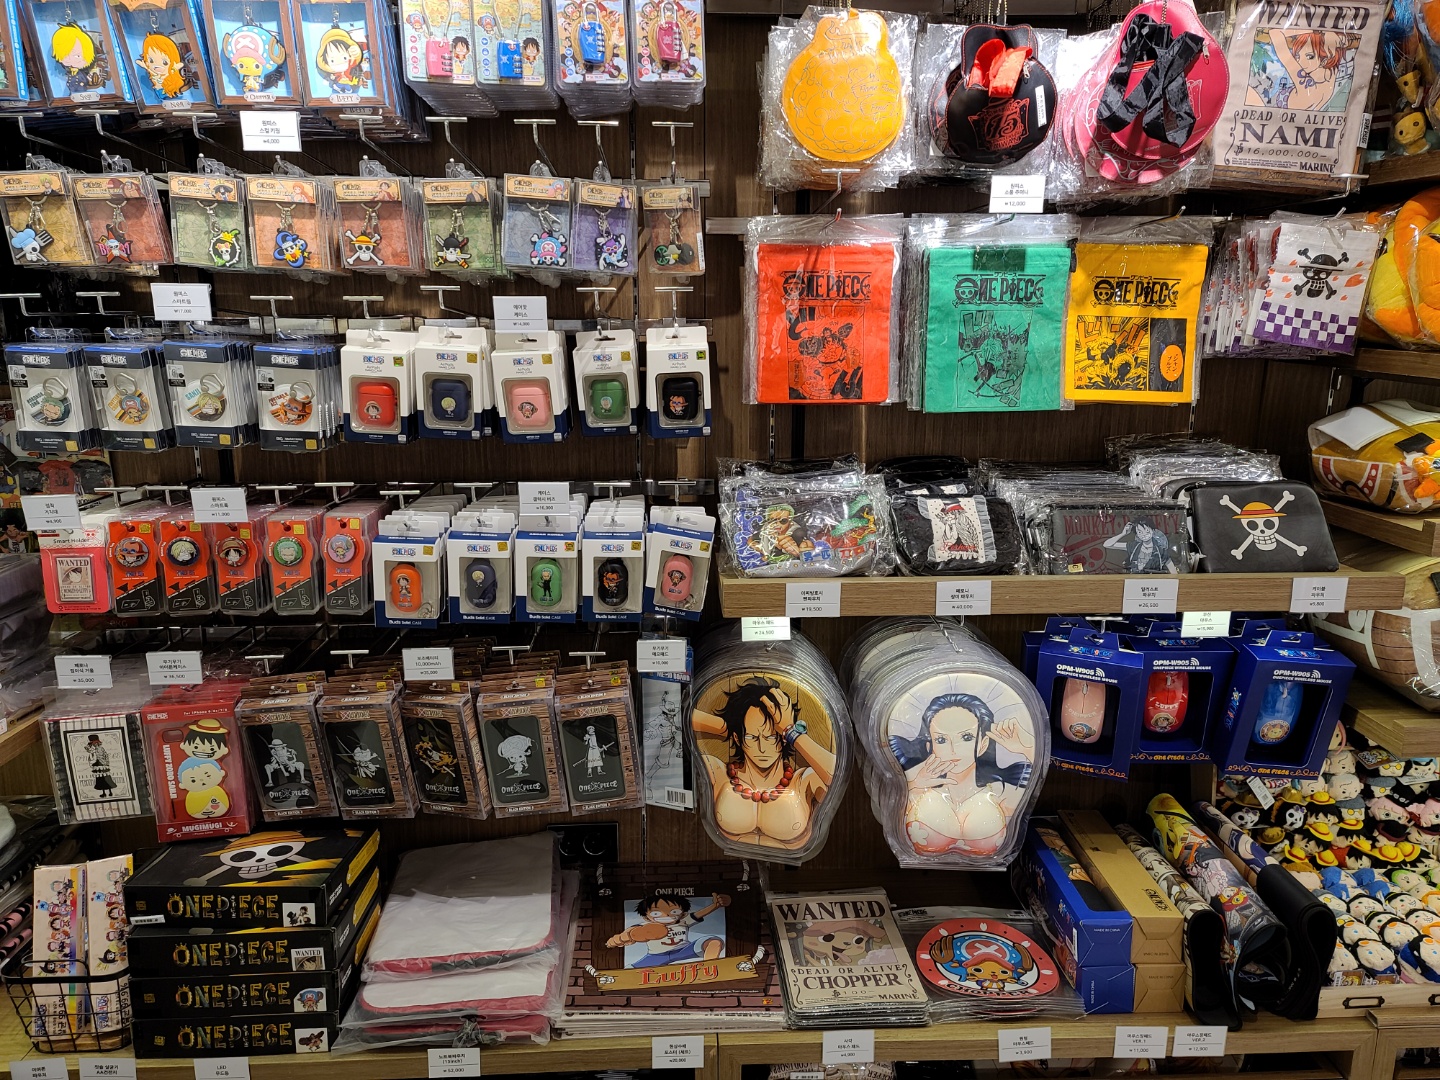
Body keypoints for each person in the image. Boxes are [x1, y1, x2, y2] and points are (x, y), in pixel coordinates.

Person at [691, 677, 833, 853]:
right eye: (752, 737)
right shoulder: (718, 772)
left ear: (783, 738)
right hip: (726, 857)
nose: (762, 747)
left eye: (771, 737)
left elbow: (835, 774)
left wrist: (790, 731)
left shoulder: (803, 781)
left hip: (788, 863)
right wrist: (729, 726)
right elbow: (677, 716)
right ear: (738, 739)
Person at [889, 692, 1034, 857]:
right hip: (922, 868)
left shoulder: (1001, 791)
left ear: (983, 744)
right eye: (941, 740)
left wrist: (1026, 748)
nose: (953, 749)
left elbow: (1036, 772)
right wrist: (914, 784)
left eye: (966, 737)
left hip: (984, 870)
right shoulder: (917, 787)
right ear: (930, 747)